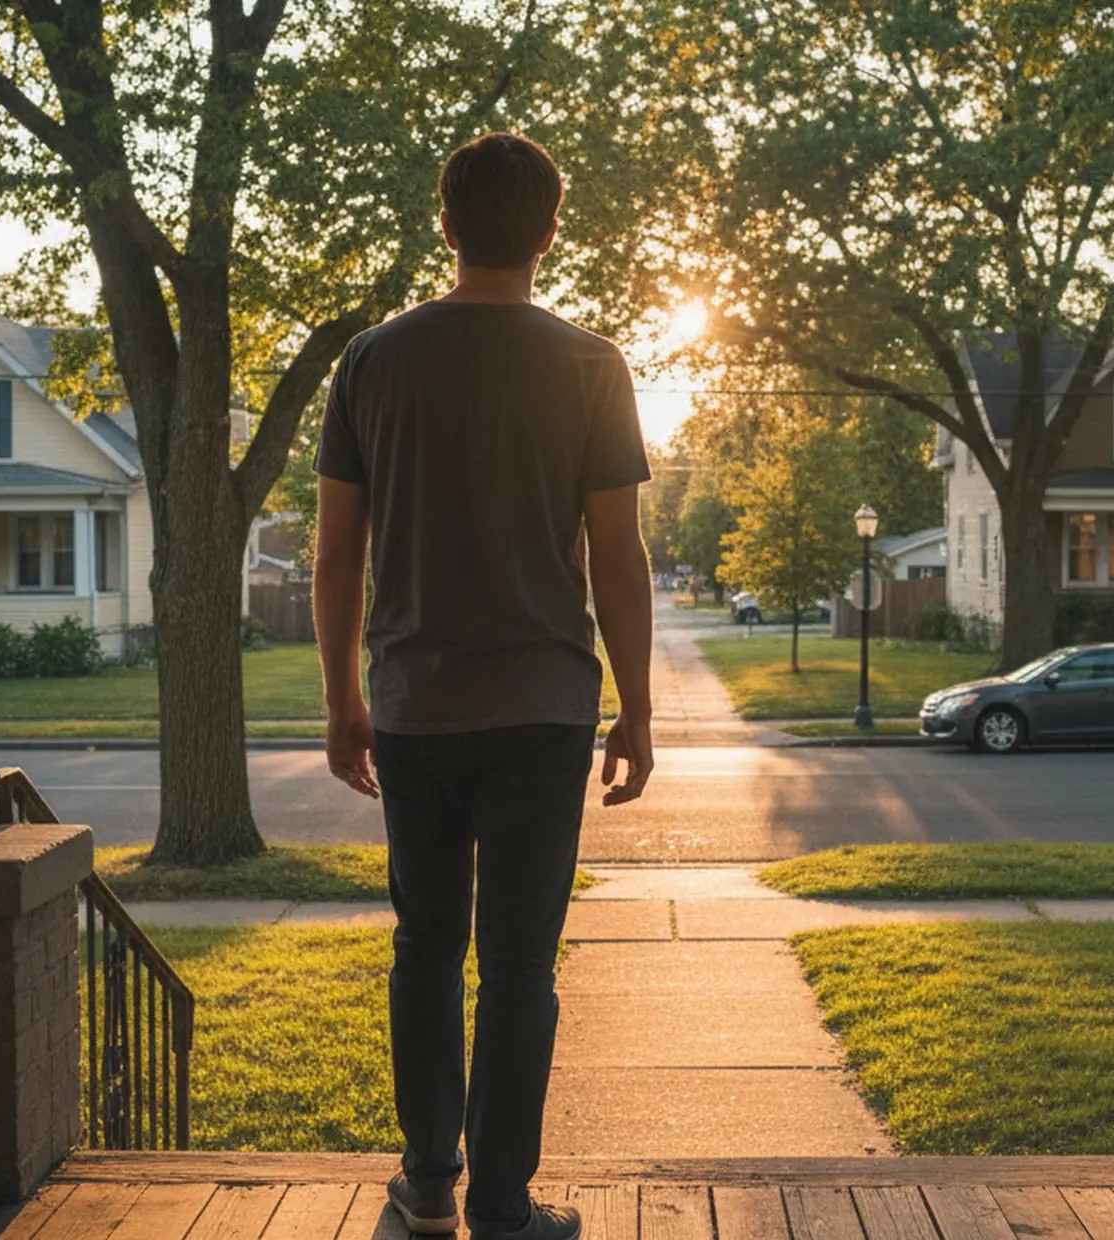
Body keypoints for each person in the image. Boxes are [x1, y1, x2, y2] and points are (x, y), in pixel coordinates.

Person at [312, 132, 654, 1240]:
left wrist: (340, 703)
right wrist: (636, 705)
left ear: (444, 223)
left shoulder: (371, 360)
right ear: (549, 229)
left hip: (412, 706)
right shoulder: (591, 366)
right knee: (517, 963)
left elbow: (334, 553)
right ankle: (504, 1204)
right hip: (544, 711)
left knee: (424, 946)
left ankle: (426, 1185)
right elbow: (618, 553)